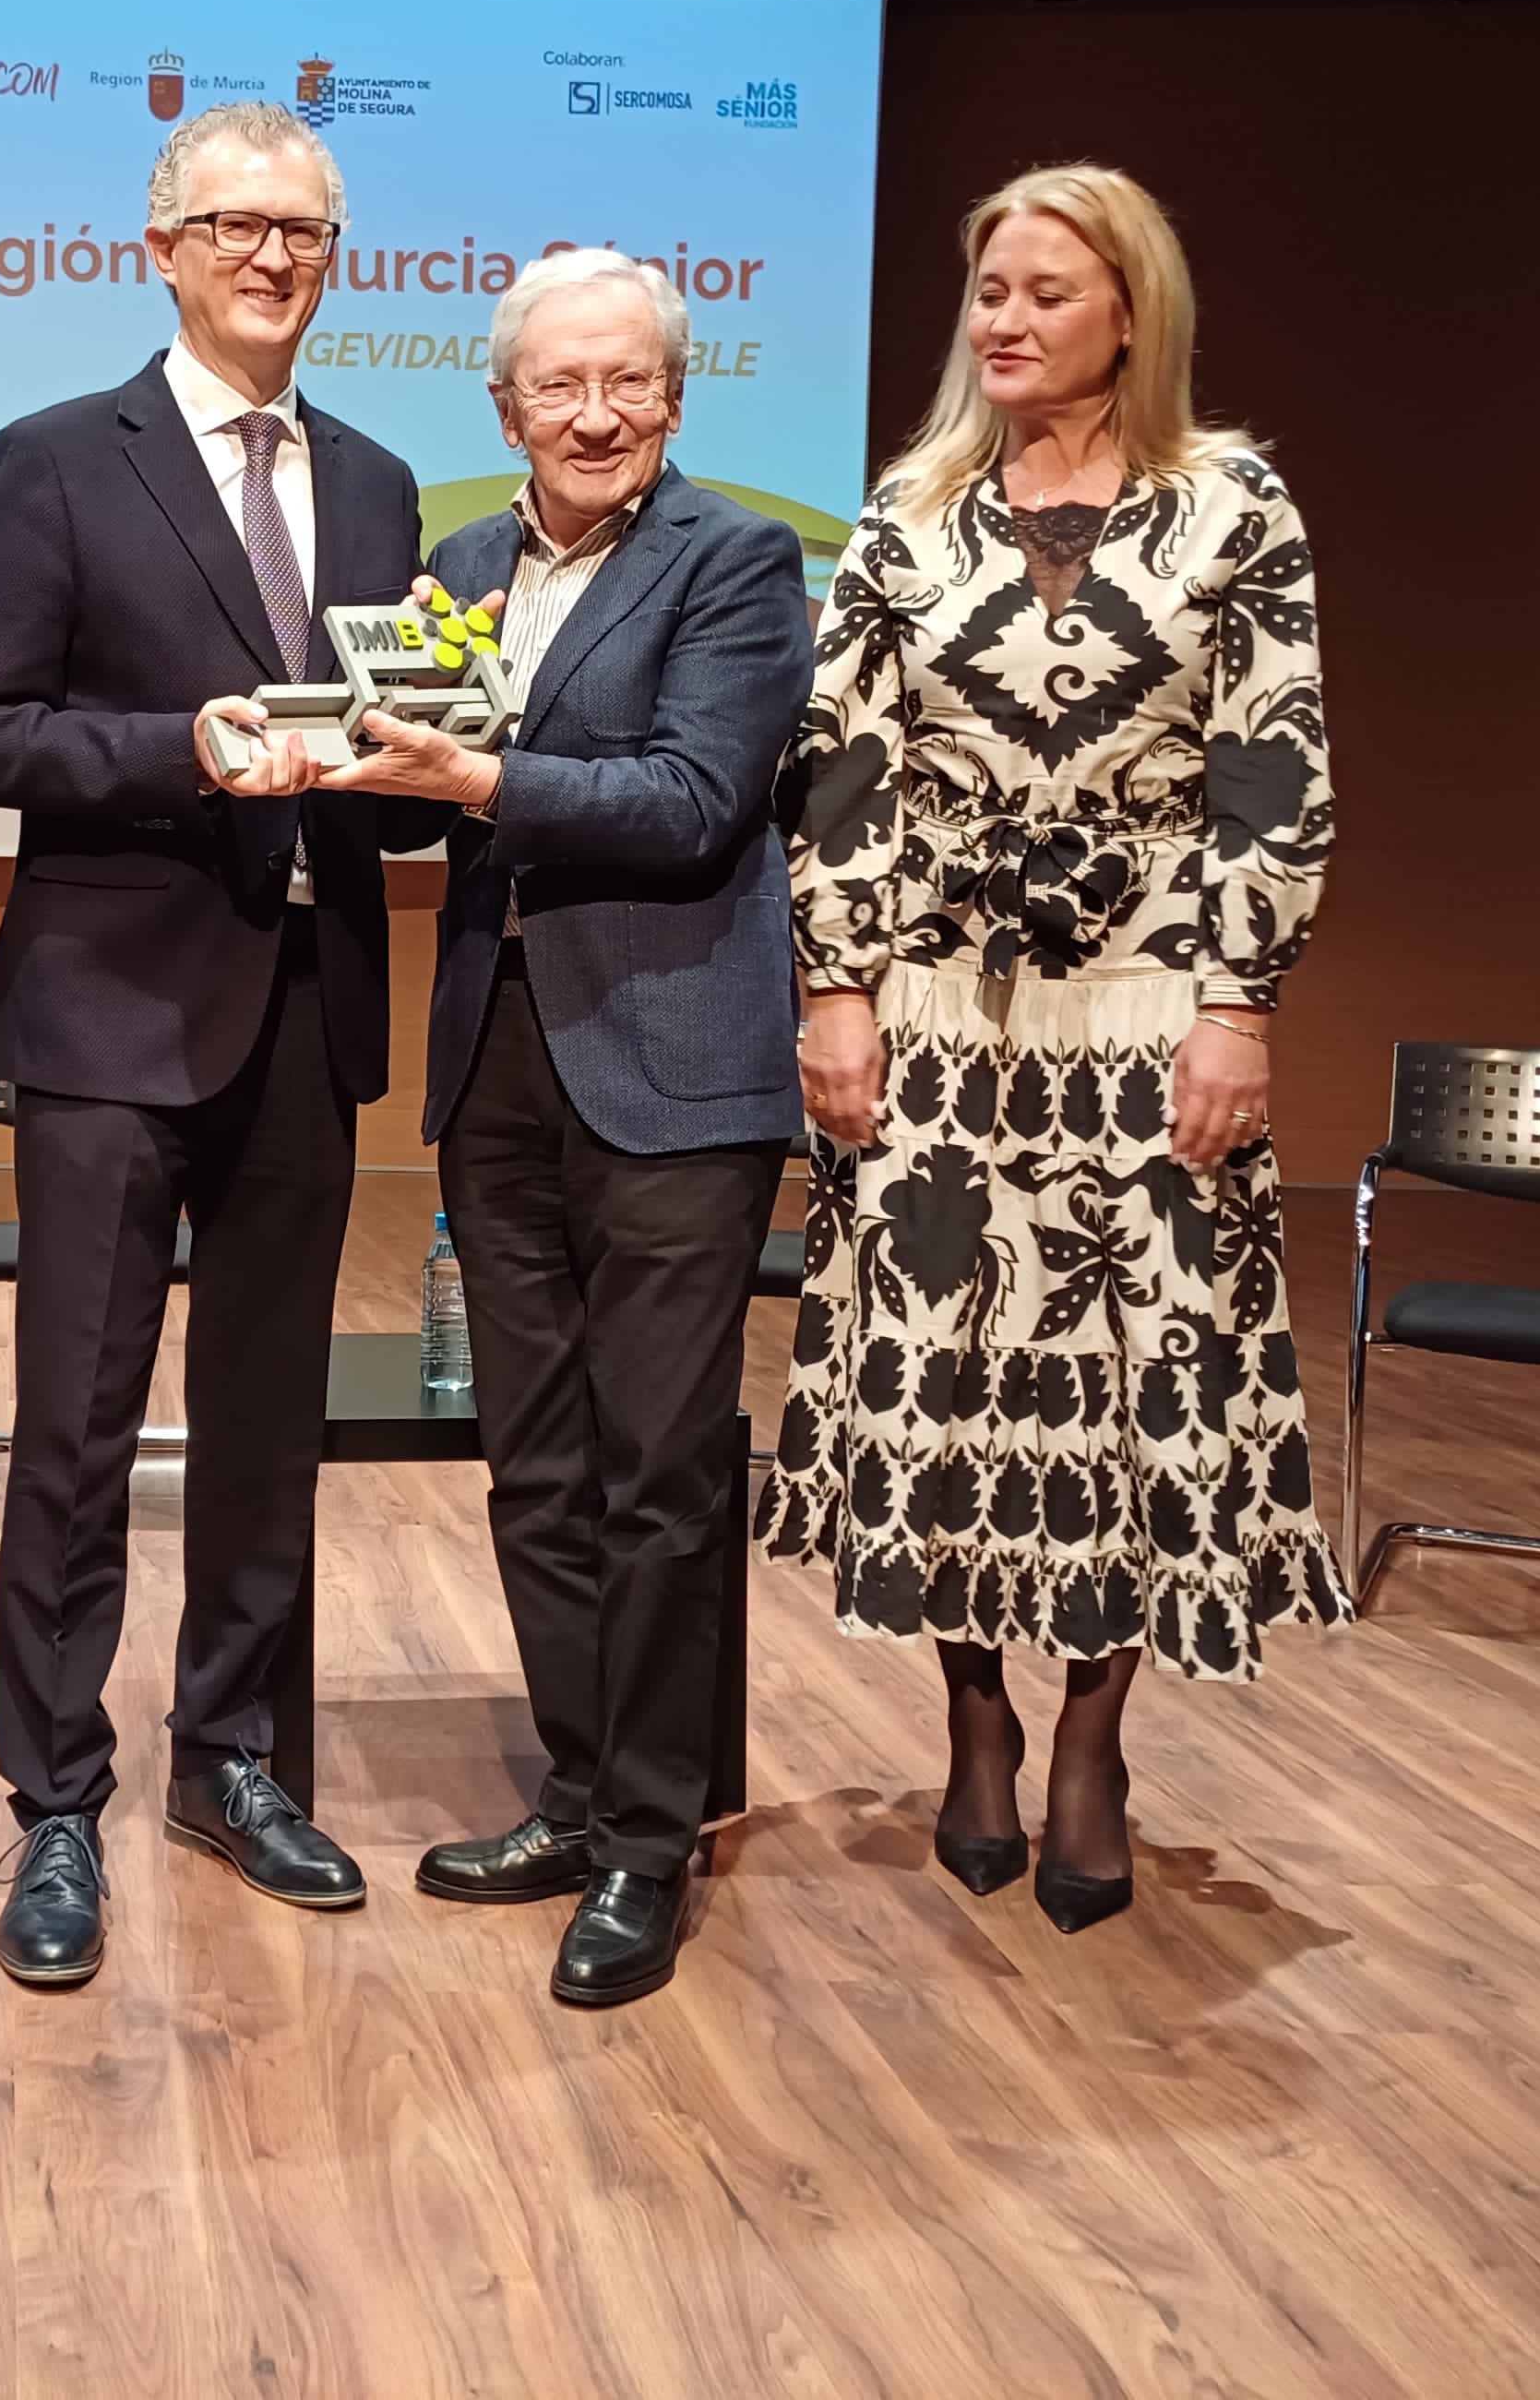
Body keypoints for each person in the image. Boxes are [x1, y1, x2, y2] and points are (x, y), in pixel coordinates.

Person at [769, 162, 1345, 1939]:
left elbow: (1274, 764)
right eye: (990, 292)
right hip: (941, 1017)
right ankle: (975, 1716)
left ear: (1130, 313)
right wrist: (836, 987)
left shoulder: (1232, 504)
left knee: (1136, 1375)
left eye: (1045, 292)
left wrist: (1241, 1002)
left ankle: (1095, 1734)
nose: (1005, 321)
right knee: (936, 1370)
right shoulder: (909, 513)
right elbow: (843, 766)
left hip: (1150, 1013)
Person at [0, 101, 423, 1988]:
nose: (272, 257)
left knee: (267, 1425)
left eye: (303, 230)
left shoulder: (378, 484)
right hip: (110, 1014)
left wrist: (437, 763)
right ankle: (55, 1799)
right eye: (235, 225)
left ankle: (231, 1759)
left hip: (309, 1008)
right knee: (73, 1430)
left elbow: (372, 746)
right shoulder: (55, 460)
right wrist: (178, 750)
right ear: (161, 247)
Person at [312, 249, 807, 2007]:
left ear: (675, 397)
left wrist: (475, 778)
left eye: (629, 383)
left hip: (675, 1061)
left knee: (659, 1469)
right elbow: (412, 817)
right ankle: (582, 1794)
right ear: (504, 404)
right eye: (560, 386)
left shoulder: (735, 560)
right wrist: (344, 748)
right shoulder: (456, 568)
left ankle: (653, 1846)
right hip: (499, 1055)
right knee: (532, 1457)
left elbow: (693, 802)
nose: (596, 416)